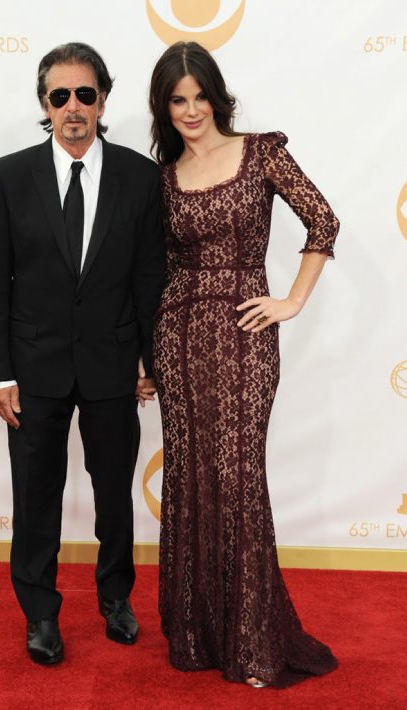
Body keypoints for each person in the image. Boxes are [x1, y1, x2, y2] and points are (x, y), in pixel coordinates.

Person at [149, 41, 339, 688]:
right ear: (164, 107)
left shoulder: (261, 152)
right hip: (176, 333)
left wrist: (291, 300)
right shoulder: (163, 175)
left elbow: (323, 222)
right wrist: (147, 356)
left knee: (236, 476)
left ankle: (255, 639)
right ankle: (199, 636)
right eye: (177, 100)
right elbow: (162, 269)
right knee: (190, 478)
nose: (191, 109)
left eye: (200, 95)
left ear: (216, 95)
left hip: (243, 330)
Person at [0, 42, 165, 665]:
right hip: (32, 370)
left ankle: (116, 597)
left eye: (86, 94)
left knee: (113, 491)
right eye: (61, 96)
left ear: (103, 99)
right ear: (45, 104)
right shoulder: (10, 173)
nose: (74, 107)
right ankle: (39, 613)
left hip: (114, 362)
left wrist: (149, 359)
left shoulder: (141, 176)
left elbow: (149, 277)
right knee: (35, 497)